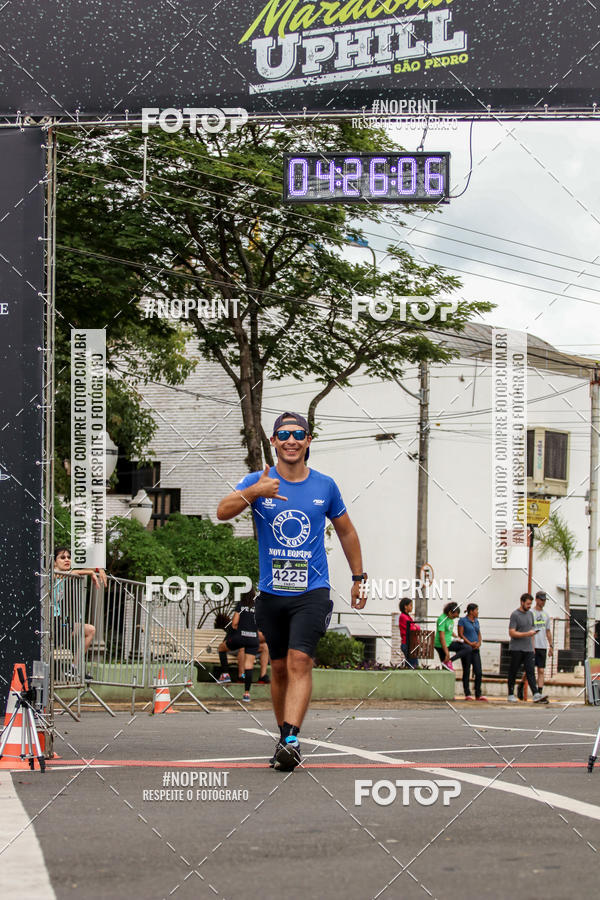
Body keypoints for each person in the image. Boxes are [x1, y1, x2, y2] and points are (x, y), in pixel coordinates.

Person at [217, 411, 366, 771]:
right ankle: (283, 738)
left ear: (308, 440)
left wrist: (359, 576)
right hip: (271, 594)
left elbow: (346, 531)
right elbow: (222, 511)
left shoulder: (325, 486)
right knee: (280, 669)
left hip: (312, 591)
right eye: (284, 434)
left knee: (300, 661)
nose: (291, 440)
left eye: (298, 433)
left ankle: (292, 739)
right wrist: (255, 492)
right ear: (274, 441)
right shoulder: (259, 480)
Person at [53, 548, 107, 679]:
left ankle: (73, 668)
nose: (67, 559)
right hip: (50, 622)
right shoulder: (52, 573)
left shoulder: (67, 574)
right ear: (54, 562)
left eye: (68, 557)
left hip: (60, 621)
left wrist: (99, 569)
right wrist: (91, 572)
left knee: (90, 630)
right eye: (62, 557)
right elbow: (73, 572)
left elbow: (75, 571)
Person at [217, 589, 260, 702]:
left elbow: (235, 623)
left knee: (221, 648)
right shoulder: (259, 606)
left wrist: (238, 630)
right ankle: (246, 694)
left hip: (240, 637)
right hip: (253, 639)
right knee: (249, 665)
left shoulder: (241, 605)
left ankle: (225, 674)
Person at [507, 593, 548, 703]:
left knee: (530, 671)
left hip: (529, 648)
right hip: (516, 648)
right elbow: (512, 632)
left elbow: (532, 630)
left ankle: (536, 694)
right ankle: (510, 694)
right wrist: (526, 634)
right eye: (528, 604)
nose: (529, 606)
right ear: (522, 602)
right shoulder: (515, 615)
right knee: (513, 671)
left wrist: (533, 646)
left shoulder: (530, 614)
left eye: (531, 604)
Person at [517, 590, 553, 699]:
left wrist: (550, 645)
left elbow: (548, 631)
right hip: (531, 645)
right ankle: (522, 684)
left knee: (541, 670)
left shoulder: (546, 615)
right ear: (536, 600)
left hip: (542, 645)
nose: (543, 602)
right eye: (541, 600)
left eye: (544, 600)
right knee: (529, 670)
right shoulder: (530, 613)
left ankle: (539, 692)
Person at [457, 603, 487, 701]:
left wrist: (478, 643)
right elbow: (460, 634)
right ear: (471, 611)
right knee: (467, 670)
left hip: (475, 649)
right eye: (476, 610)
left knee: (478, 671)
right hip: (467, 649)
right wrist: (470, 643)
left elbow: (478, 633)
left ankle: (478, 693)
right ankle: (467, 693)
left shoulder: (476, 621)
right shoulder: (463, 621)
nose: (477, 612)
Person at [434, 602, 472, 672]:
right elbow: (441, 637)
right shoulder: (442, 619)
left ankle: (449, 661)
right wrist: (447, 653)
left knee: (467, 648)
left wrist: (457, 637)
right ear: (450, 612)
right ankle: (447, 662)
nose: (455, 618)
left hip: (448, 642)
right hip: (441, 645)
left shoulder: (450, 619)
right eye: (454, 616)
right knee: (445, 668)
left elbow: (450, 631)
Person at [398, 597, 420, 669]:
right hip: (407, 644)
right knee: (414, 665)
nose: (412, 607)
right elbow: (412, 628)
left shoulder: (407, 616)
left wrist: (415, 627)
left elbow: (416, 627)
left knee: (410, 665)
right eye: (410, 605)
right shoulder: (403, 617)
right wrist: (415, 626)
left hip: (410, 644)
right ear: (405, 606)